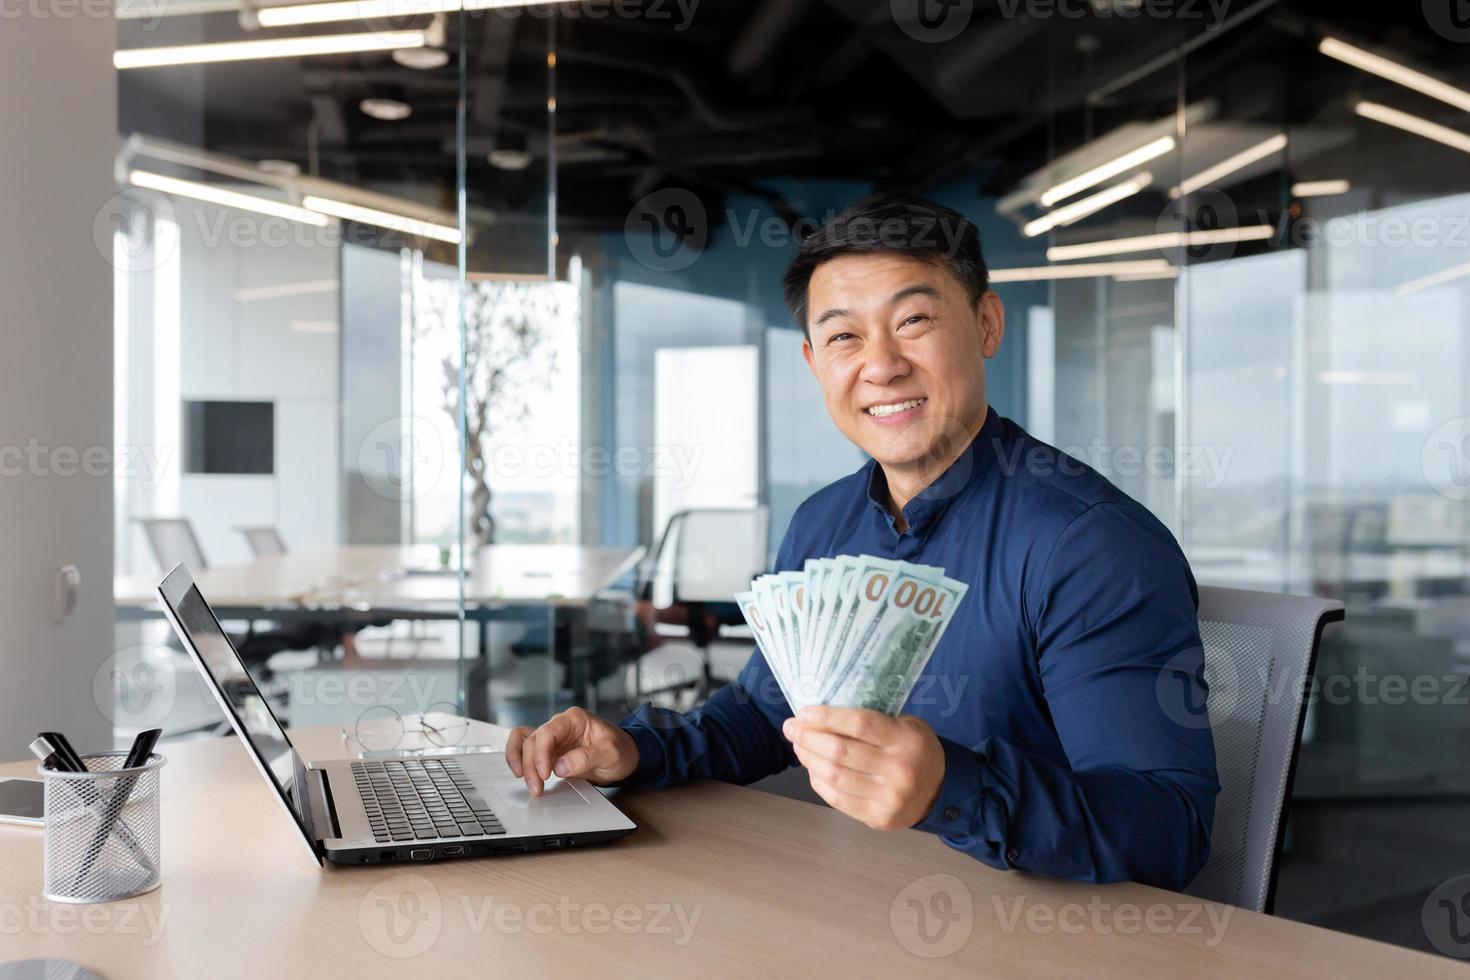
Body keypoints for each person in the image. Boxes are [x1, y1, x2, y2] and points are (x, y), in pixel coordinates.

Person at [506, 194, 1219, 890]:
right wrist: (635, 750)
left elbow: (1169, 828)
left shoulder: (1091, 545)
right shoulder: (823, 523)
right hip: (862, 902)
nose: (881, 365)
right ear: (816, 363)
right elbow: (767, 711)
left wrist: (951, 786)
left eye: (913, 321)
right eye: (845, 336)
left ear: (987, 324)